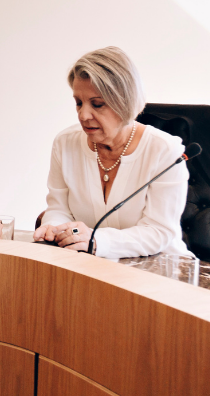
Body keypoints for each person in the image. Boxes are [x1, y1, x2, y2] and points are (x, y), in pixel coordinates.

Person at [35, 47, 190, 259]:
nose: (83, 114)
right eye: (78, 103)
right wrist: (53, 227)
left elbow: (158, 232)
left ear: (124, 102)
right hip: (92, 266)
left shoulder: (165, 150)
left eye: (97, 104)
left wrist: (97, 241)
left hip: (160, 267)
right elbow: (58, 208)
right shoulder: (65, 143)